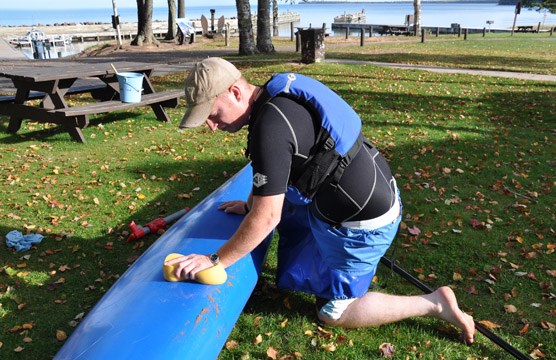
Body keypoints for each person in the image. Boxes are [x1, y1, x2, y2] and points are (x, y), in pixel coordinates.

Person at [166, 57, 475, 343]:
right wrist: (248, 204)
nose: (212, 126)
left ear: (235, 92)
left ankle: (433, 303)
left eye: (213, 114)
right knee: (280, 208)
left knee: (332, 313)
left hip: (363, 225)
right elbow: (275, 171)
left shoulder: (270, 129)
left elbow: (266, 218)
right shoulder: (276, 98)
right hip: (369, 189)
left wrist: (214, 260)